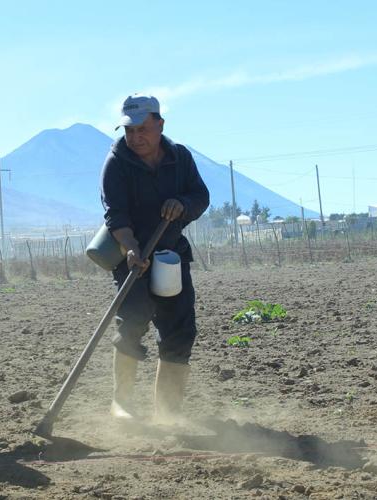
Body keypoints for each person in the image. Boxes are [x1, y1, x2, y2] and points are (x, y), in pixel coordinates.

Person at [100, 94, 210, 424]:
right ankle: (122, 405)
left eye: (143, 129)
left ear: (160, 124)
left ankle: (168, 411)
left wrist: (182, 204)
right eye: (130, 131)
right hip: (131, 255)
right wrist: (132, 248)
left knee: (179, 329)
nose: (135, 138)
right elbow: (115, 216)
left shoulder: (180, 158)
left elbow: (200, 196)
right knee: (132, 323)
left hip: (171, 255)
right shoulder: (116, 163)